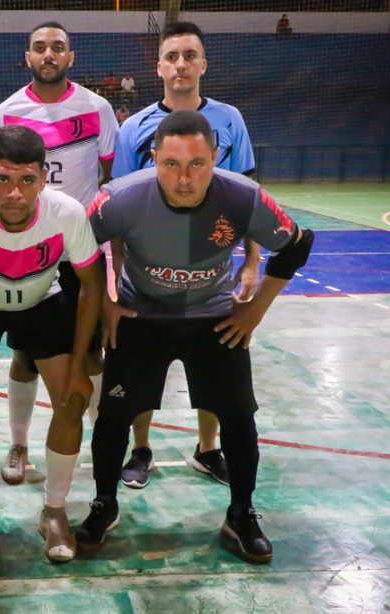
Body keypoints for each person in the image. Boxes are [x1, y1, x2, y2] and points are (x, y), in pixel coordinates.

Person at [79, 109, 314, 564]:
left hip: (214, 320)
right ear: (153, 159)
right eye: (171, 164)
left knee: (239, 418)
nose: (184, 178)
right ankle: (104, 503)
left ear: (216, 157)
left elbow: (298, 244)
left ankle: (241, 513)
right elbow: (75, 244)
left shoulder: (244, 197)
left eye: (197, 164)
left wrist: (256, 310)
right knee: (113, 416)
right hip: (142, 318)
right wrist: (105, 301)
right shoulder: (120, 198)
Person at [0, 125, 104, 565]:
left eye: (27, 180)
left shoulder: (66, 213)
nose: (15, 192)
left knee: (70, 400)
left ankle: (54, 512)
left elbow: (90, 284)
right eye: (3, 179)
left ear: (43, 178)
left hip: (42, 301)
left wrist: (82, 363)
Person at [112, 21, 261, 490]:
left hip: (212, 269)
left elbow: (253, 195)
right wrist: (114, 276)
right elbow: (116, 206)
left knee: (215, 366)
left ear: (203, 64)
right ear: (158, 67)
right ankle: (140, 449)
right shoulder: (133, 128)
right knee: (140, 373)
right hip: (146, 271)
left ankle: (208, 447)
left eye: (189, 55)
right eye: (172, 56)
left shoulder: (230, 120)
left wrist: (253, 263)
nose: (180, 65)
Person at [0, 21, 117, 486]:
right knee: (24, 356)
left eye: (57, 47)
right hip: (25, 250)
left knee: (93, 355)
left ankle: (105, 442)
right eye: (40, 48)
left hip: (81, 251)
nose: (48, 55)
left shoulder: (97, 109)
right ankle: (19, 445)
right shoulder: (7, 111)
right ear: (27, 57)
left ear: (70, 57)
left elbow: (110, 179)